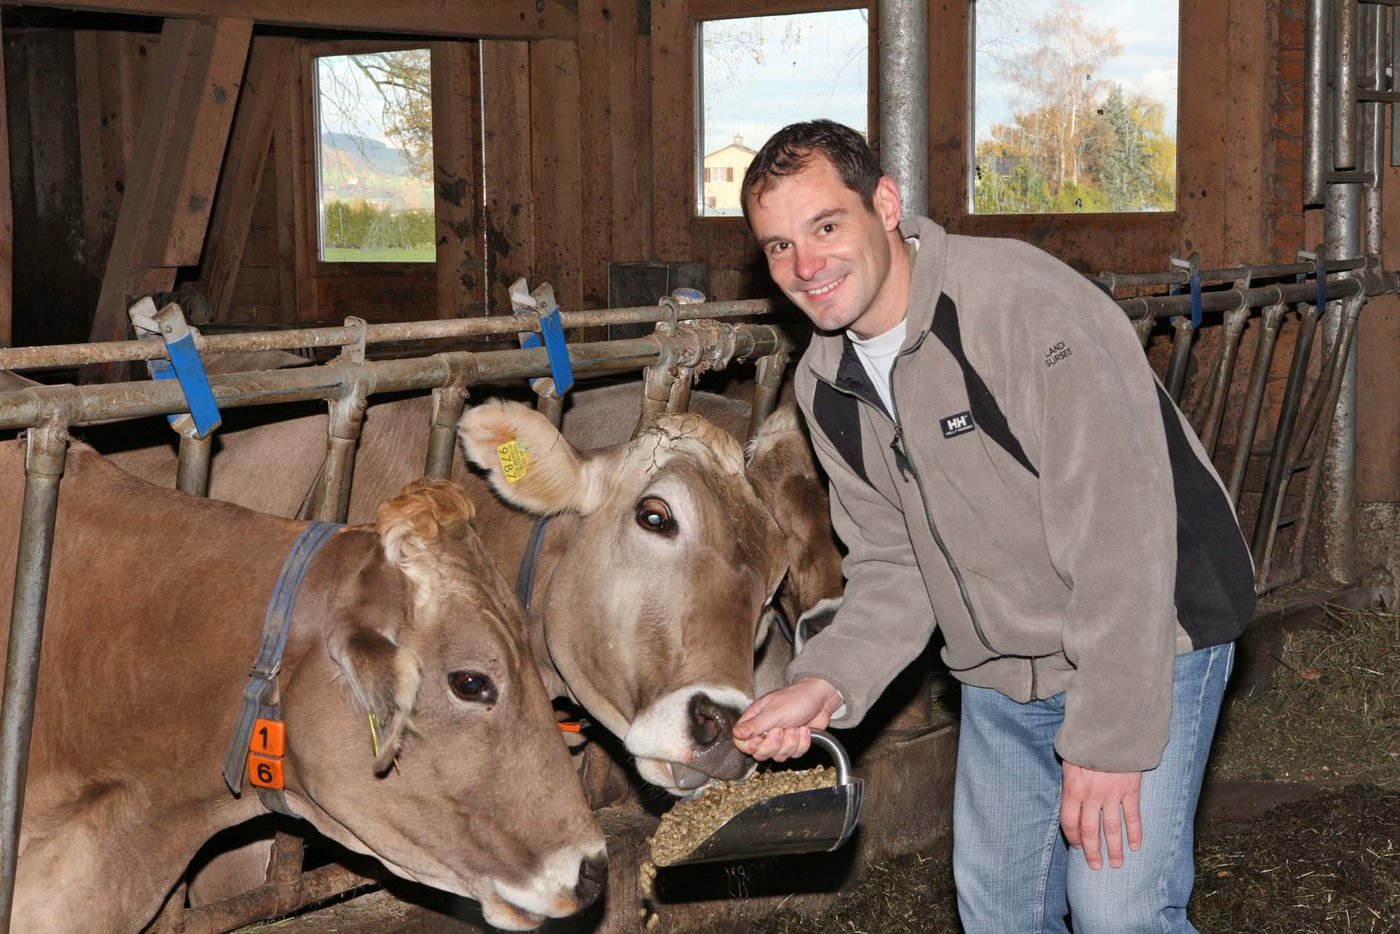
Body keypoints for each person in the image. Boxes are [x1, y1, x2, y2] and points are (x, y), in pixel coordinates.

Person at [730, 119, 1255, 933]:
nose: (806, 267)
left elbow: (1122, 531)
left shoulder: (1018, 307)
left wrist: (1108, 740)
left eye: (825, 226)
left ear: (886, 203)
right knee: (1000, 914)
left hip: (1151, 633)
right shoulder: (827, 383)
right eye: (777, 247)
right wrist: (826, 680)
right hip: (1004, 665)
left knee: (1118, 911)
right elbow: (894, 563)